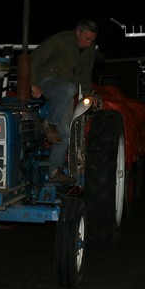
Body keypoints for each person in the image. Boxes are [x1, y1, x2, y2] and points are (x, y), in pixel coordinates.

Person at [30, 19, 99, 183]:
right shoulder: (60, 39)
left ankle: (54, 171)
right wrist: (33, 84)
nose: (89, 43)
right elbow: (35, 57)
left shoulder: (89, 49)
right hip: (47, 81)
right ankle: (49, 123)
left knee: (66, 134)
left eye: (92, 40)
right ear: (78, 32)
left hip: (66, 91)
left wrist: (88, 94)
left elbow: (85, 73)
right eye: (86, 39)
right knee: (68, 89)